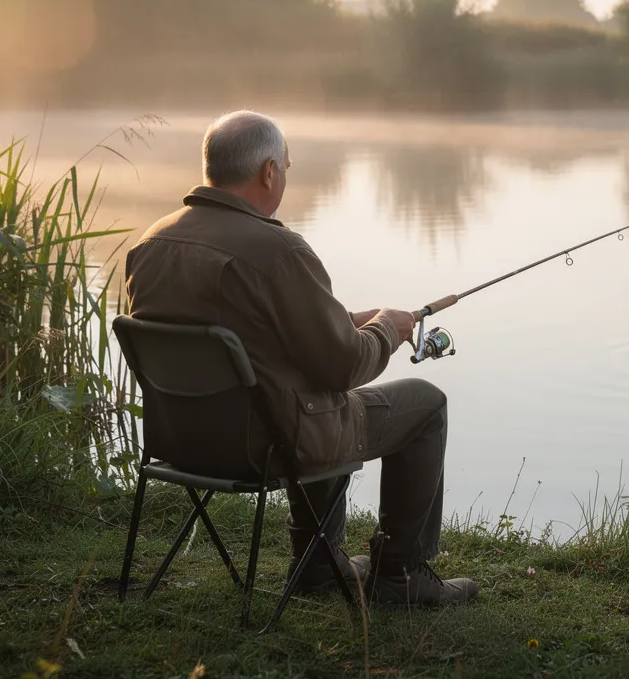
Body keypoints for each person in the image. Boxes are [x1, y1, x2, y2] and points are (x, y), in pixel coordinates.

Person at [123, 110, 477, 607]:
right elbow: (343, 366)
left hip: (179, 443)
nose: (285, 177)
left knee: (309, 394)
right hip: (266, 445)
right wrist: (386, 332)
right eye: (286, 167)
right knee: (424, 403)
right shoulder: (279, 251)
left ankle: (318, 566)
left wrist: (350, 319)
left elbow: (252, 334)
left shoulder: (150, 243)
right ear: (269, 171)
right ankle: (401, 577)